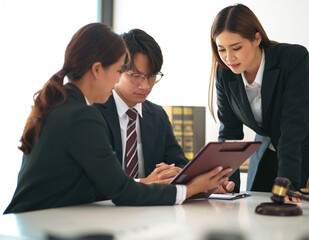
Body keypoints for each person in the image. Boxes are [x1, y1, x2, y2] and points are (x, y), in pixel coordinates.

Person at [4, 23, 232, 214]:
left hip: (44, 220)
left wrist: (200, 180)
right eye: (119, 71)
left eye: (151, 77)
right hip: (38, 225)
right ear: (96, 70)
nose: (115, 81)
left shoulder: (62, 105)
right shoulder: (82, 116)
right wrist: (191, 189)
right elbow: (121, 190)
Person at [208, 4, 309, 198]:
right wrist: (226, 182)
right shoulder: (225, 74)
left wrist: (287, 183)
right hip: (266, 156)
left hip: (305, 157)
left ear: (257, 38)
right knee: (259, 217)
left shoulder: (293, 59)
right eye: (221, 49)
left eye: (236, 48)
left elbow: (293, 126)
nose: (228, 57)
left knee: (307, 223)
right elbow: (229, 134)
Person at [94, 28, 235, 193]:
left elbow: (179, 163)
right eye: (136, 76)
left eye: (151, 76)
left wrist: (207, 183)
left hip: (152, 212)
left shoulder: (156, 115)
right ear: (117, 70)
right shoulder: (94, 111)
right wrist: (143, 183)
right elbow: (97, 179)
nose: (145, 86)